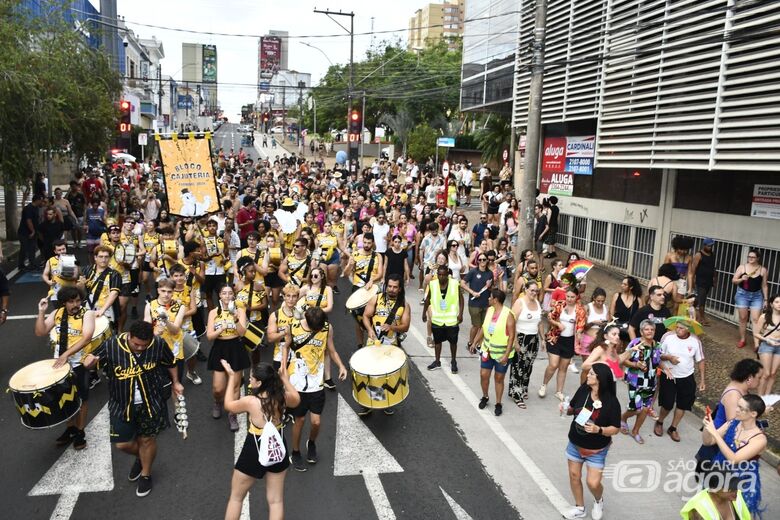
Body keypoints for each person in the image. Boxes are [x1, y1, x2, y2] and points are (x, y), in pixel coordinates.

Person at [82, 321, 183, 497]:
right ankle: (142, 458)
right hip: (121, 403)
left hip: (151, 402)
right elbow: (89, 362)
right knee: (122, 444)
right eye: (136, 344)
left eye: (144, 345)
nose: (140, 348)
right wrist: (89, 363)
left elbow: (171, 363)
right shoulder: (111, 345)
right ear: (129, 335)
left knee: (147, 440)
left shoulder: (158, 344)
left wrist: (176, 382)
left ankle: (146, 474)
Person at [222, 361, 300, 520]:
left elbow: (228, 405)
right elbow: (297, 399)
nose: (249, 380)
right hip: (277, 445)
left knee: (236, 498)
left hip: (255, 446)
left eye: (251, 378)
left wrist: (231, 377)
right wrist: (285, 379)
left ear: (259, 383)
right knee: (276, 501)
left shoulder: (251, 402)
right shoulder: (281, 397)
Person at [286, 307, 348, 472]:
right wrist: (284, 374)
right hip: (297, 383)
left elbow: (331, 350)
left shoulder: (327, 328)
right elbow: (285, 347)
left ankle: (311, 443)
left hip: (316, 383)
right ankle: (296, 451)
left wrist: (341, 366)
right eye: (315, 329)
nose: (318, 330)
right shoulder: (293, 326)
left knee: (316, 422)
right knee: (299, 420)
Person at [34, 287, 96, 450]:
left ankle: (80, 431)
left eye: (77, 300)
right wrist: (41, 312)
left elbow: (87, 337)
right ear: (63, 302)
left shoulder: (87, 314)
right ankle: (70, 428)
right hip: (60, 364)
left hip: (79, 363)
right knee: (63, 397)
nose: (75, 304)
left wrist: (65, 355)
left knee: (82, 398)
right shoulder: (57, 313)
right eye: (71, 301)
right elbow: (40, 332)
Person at [561, 363, 621, 520]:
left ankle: (598, 500)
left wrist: (599, 430)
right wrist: (565, 408)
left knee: (593, 483)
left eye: (592, 374)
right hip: (575, 443)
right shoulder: (583, 390)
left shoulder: (612, 402)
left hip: (596, 450)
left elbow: (615, 428)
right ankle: (580, 508)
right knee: (574, 475)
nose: (587, 375)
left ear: (600, 379)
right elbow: (572, 408)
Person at [702, 394, 767, 517]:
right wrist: (708, 427)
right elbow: (708, 441)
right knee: (713, 511)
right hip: (720, 475)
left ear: (753, 414)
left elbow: (734, 459)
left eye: (741, 408)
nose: (736, 410)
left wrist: (715, 433)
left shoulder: (759, 439)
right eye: (737, 406)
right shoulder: (732, 423)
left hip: (742, 483)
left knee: (736, 514)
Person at [359, 274, 411, 416]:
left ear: (400, 289)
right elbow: (365, 316)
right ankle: (370, 402)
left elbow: (405, 326)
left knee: (386, 373)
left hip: (391, 345)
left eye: (395, 287)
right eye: (389, 286)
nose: (392, 289)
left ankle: (386, 402)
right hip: (374, 342)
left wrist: (393, 328)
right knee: (371, 372)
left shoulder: (404, 305)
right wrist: (369, 330)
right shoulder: (376, 298)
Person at [206, 285, 248, 432]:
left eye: (230, 293)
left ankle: (232, 414)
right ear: (220, 296)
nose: (227, 295)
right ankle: (218, 402)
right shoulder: (213, 313)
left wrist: (236, 320)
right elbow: (209, 336)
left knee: (235, 385)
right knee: (218, 388)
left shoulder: (240, 311)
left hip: (235, 348)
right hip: (219, 348)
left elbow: (242, 333)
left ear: (233, 296)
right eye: (224, 293)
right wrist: (220, 329)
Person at [654, 323, 706, 442]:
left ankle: (673, 428)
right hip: (669, 375)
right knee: (667, 403)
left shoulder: (695, 341)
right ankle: (660, 422)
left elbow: (701, 360)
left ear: (688, 329)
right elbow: (658, 355)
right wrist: (669, 358)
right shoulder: (667, 337)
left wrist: (702, 380)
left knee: (683, 404)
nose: (677, 330)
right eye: (676, 327)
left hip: (687, 376)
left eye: (681, 328)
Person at [469, 289, 516, 416]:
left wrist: (506, 355)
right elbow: (484, 329)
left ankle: (498, 403)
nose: (488, 299)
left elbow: (512, 337)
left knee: (499, 378)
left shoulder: (508, 315)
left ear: (495, 300)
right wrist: (474, 342)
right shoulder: (490, 310)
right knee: (484, 375)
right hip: (487, 351)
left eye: (490, 297)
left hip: (502, 354)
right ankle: (485, 397)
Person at [540, 287, 586, 402]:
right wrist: (557, 324)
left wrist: (579, 334)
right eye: (568, 296)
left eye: (572, 297)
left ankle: (559, 391)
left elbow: (580, 326)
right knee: (553, 364)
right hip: (555, 338)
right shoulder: (560, 304)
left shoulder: (580, 310)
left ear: (577, 297)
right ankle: (544, 385)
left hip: (569, 341)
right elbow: (550, 317)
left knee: (563, 367)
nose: (569, 299)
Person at [620, 320, 662, 444]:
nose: (649, 332)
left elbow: (658, 361)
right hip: (635, 380)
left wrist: (667, 364)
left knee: (644, 409)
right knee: (636, 408)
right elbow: (623, 359)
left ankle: (635, 431)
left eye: (652, 329)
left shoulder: (657, 345)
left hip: (650, 382)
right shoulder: (635, 343)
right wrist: (635, 364)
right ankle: (623, 418)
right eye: (647, 329)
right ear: (641, 331)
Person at [507, 280, 544, 408]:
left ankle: (523, 388)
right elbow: (511, 322)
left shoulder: (537, 303)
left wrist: (542, 339)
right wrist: (515, 341)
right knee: (518, 366)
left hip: (533, 339)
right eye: (532, 290)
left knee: (528, 366)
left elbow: (539, 323)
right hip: (521, 337)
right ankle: (516, 395)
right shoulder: (520, 302)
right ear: (525, 290)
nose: (534, 293)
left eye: (536, 291)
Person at [423, 264, 464, 373]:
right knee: (437, 342)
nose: (441, 277)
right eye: (439, 274)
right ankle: (437, 361)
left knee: (453, 342)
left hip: (451, 319)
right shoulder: (433, 284)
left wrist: (461, 314)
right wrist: (424, 313)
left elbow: (461, 299)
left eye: (443, 275)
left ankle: (454, 361)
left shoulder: (455, 284)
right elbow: (428, 299)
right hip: (438, 319)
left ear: (447, 275)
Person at [680, 468, 752, 520]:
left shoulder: (737, 496)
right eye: (730, 489)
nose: (735, 490)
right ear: (714, 490)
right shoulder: (699, 509)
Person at [732, 250, 769, 349]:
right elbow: (734, 280)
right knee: (743, 318)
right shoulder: (742, 267)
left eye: (753, 257)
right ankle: (743, 339)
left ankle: (756, 344)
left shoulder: (763, 270)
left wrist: (766, 300)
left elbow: (764, 285)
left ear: (758, 258)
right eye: (749, 257)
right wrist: (741, 279)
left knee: (756, 319)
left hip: (757, 296)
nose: (750, 258)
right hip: (742, 295)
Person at [461, 252, 494, 351]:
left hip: (486, 303)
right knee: (476, 325)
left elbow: (492, 288)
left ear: (487, 261)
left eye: (484, 259)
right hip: (474, 303)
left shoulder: (490, 273)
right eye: (480, 260)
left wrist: (489, 286)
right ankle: (471, 342)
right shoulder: (473, 272)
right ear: (477, 261)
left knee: (484, 326)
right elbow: (462, 283)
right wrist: (472, 292)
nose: (482, 261)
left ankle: (479, 344)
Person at [754, 294, 780, 395]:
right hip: (766, 345)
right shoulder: (764, 316)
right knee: (766, 373)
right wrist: (767, 339)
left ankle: (767, 398)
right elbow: (756, 333)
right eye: (777, 302)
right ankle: (760, 398)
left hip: (779, 346)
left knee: (773, 374)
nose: (779, 304)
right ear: (771, 304)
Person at [689, 238, 717, 325]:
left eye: (711, 246)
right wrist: (692, 280)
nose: (710, 247)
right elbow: (693, 268)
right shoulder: (699, 255)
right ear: (704, 245)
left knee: (701, 298)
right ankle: (701, 318)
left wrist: (715, 279)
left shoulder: (712, 254)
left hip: (708, 280)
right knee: (702, 300)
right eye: (708, 246)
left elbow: (713, 267)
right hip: (700, 280)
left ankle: (691, 309)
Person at [610, 276, 642, 344]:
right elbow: (611, 313)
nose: (622, 286)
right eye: (622, 283)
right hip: (617, 327)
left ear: (631, 287)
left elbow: (640, 317)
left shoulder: (638, 300)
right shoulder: (617, 295)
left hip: (630, 330)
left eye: (625, 284)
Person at [18, 194, 44, 270]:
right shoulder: (29, 208)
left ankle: (32, 264)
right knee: (24, 249)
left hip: (33, 232)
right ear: (37, 200)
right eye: (41, 201)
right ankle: (21, 265)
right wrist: (32, 231)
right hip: (24, 232)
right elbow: (28, 220)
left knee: (32, 248)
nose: (42, 202)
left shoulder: (36, 208)